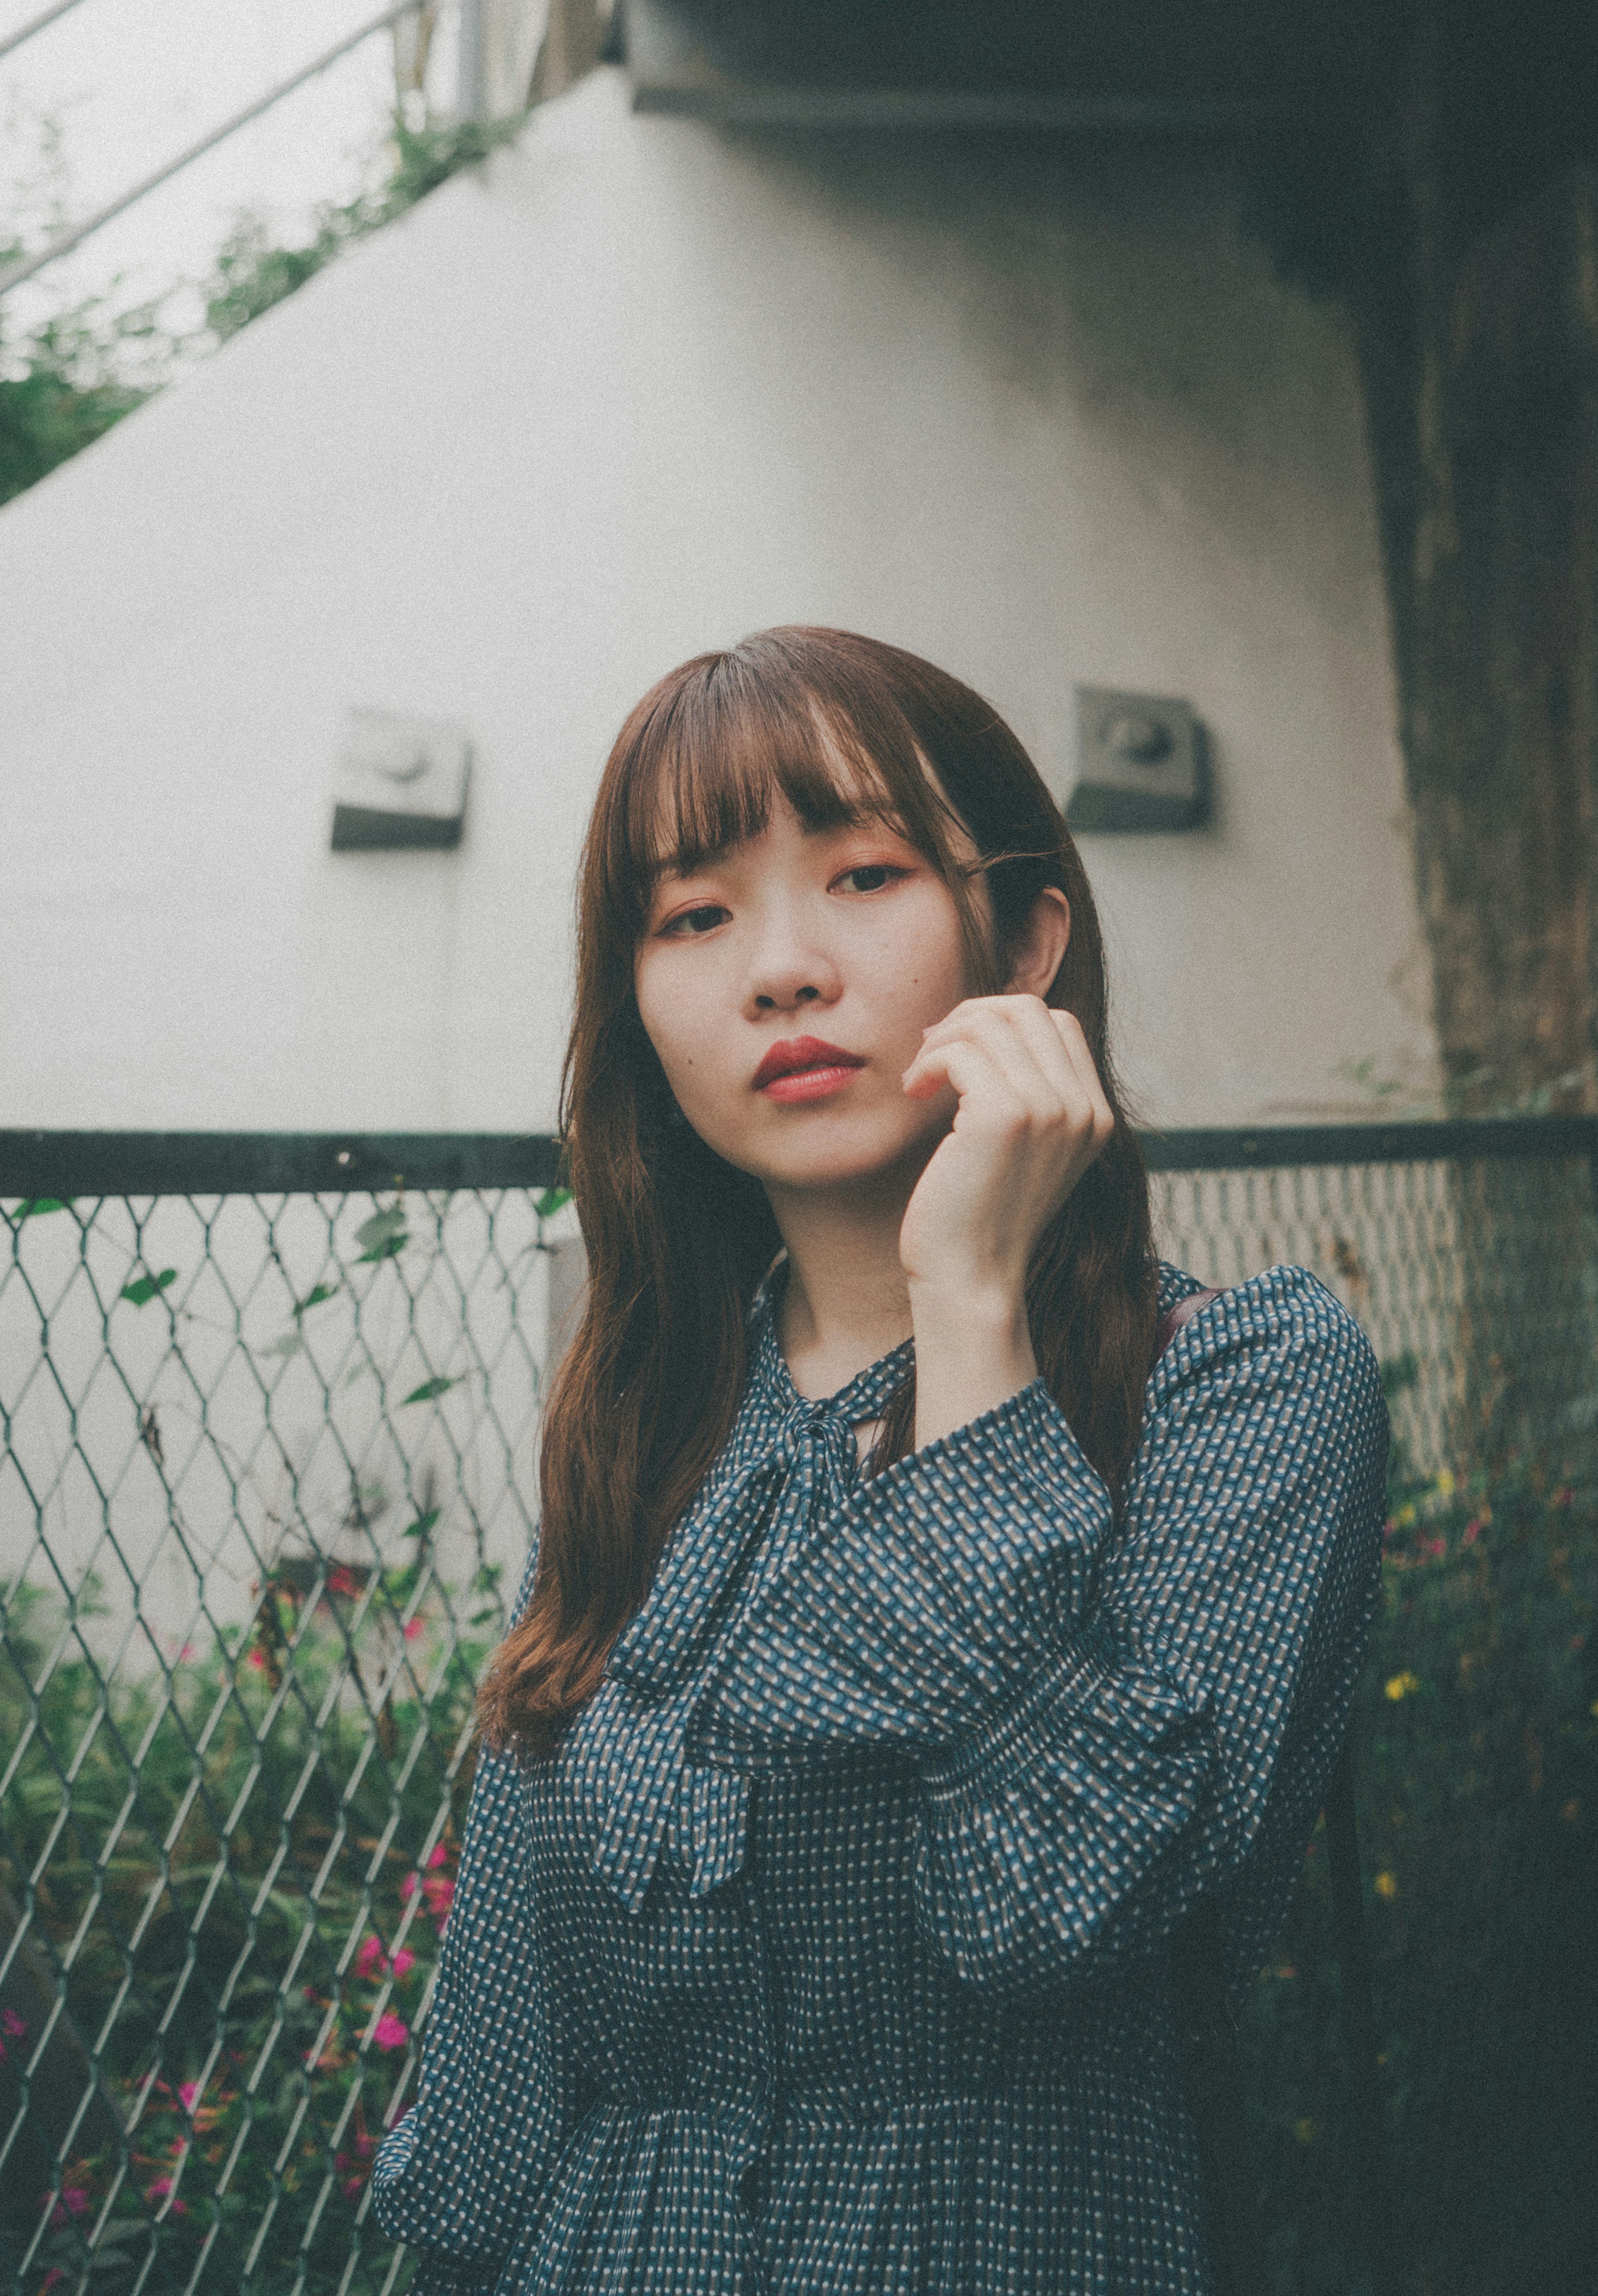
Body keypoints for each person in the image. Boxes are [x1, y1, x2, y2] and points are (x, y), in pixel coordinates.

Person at [371, 626, 1388, 2293]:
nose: (778, 969)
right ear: (636, 1009)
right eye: (693, 916)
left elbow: (1054, 1910)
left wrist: (968, 1301)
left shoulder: (1239, 1384)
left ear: (1026, 939)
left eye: (861, 876)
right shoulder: (650, 1420)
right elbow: (499, 2082)